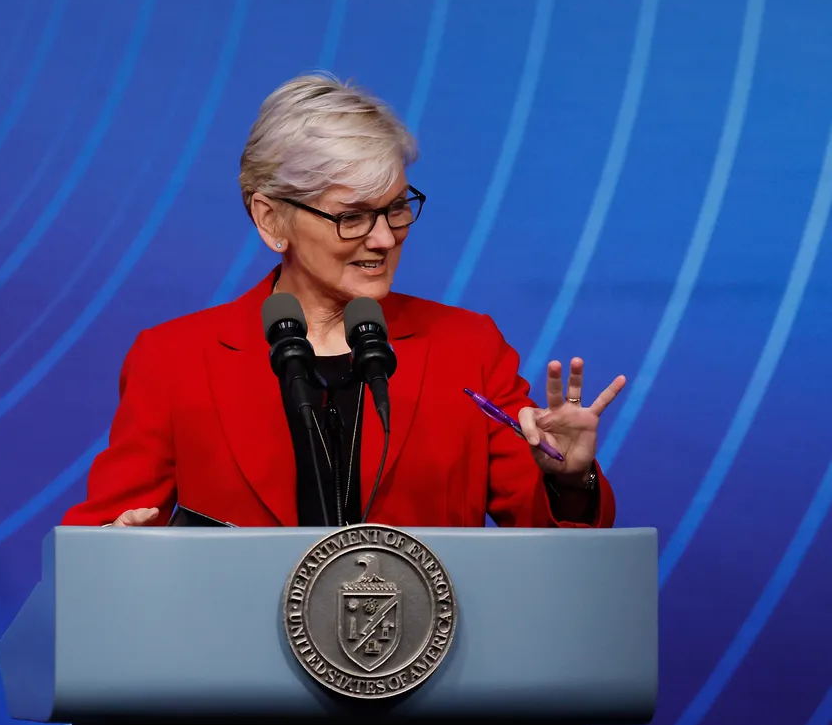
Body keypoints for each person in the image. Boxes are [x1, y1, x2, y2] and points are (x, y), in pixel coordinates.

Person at [60, 74, 625, 530]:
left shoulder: (467, 348)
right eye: (351, 216)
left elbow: (550, 547)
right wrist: (116, 548)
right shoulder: (175, 358)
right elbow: (109, 533)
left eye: (397, 208)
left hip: (424, 665)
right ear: (270, 218)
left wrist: (568, 481)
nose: (382, 238)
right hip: (234, 667)